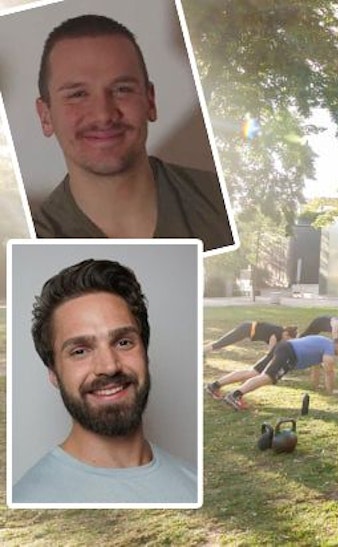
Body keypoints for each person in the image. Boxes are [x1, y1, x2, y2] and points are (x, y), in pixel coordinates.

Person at [31, 14, 233, 251]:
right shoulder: (36, 243)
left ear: (150, 101)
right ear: (45, 116)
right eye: (78, 94)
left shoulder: (221, 201)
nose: (103, 115)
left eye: (122, 89)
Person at [13, 259, 196, 503]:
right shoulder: (28, 501)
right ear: (54, 373)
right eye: (80, 351)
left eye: (123, 342)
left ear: (145, 352)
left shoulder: (194, 482)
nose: (109, 367)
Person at [205, 335, 338, 410]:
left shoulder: (321, 343)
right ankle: (235, 396)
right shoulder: (329, 346)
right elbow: (329, 371)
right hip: (289, 353)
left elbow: (316, 369)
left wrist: (316, 387)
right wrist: (331, 391)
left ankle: (214, 385)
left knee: (253, 372)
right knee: (267, 377)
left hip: (283, 347)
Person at [203, 321, 297, 354]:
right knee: (222, 343)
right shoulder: (278, 332)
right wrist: (270, 355)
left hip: (247, 330)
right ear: (286, 333)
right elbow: (272, 344)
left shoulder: (279, 331)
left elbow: (274, 345)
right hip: (246, 329)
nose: (286, 341)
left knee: (222, 343)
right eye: (287, 339)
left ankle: (203, 348)